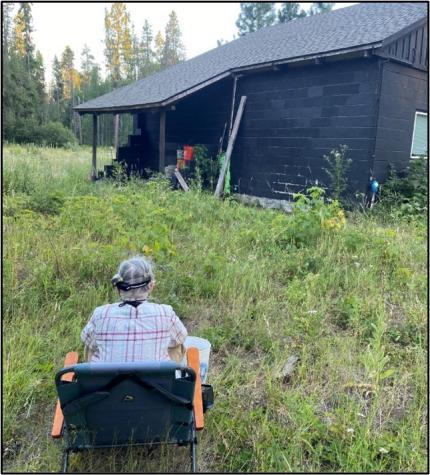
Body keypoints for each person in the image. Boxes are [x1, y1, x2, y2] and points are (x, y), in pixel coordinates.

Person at [81, 256, 188, 363]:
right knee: (177, 345)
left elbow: (86, 339)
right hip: (155, 379)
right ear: (151, 286)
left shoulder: (100, 314)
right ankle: (169, 373)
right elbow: (180, 337)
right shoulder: (166, 313)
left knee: (91, 345)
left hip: (108, 379)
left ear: (119, 288)